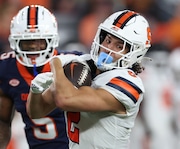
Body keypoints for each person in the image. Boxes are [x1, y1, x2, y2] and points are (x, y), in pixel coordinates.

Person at [27, 10, 152, 149]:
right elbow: (36, 112)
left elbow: (65, 99)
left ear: (135, 53)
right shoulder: (84, 64)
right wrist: (36, 88)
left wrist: (56, 63)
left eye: (119, 46)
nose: (108, 48)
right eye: (108, 40)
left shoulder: (129, 83)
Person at [0, 5, 83, 149]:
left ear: (52, 40)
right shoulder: (6, 69)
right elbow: (2, 122)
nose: (33, 48)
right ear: (15, 42)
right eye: (27, 42)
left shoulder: (74, 64)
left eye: (39, 42)